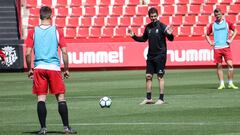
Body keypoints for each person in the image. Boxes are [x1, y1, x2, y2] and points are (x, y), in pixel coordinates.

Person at [25, 6, 77, 135]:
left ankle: (43, 129)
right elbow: (64, 52)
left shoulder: (33, 32)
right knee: (60, 98)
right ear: (51, 16)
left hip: (39, 68)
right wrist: (66, 69)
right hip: (54, 68)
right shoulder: (57, 31)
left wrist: (29, 69)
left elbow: (27, 53)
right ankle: (66, 128)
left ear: (40, 16)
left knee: (41, 99)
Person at [128, 7, 174, 105]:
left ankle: (161, 99)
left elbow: (171, 38)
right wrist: (134, 36)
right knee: (148, 76)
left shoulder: (162, 26)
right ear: (149, 17)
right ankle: (148, 98)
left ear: (157, 15)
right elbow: (143, 39)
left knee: (160, 76)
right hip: (150, 56)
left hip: (160, 55)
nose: (153, 18)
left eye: (155, 16)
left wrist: (170, 34)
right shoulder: (148, 27)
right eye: (151, 16)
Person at [205, 8, 238, 90]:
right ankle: (222, 84)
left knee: (230, 65)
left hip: (226, 47)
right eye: (216, 15)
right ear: (214, 16)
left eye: (219, 14)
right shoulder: (212, 25)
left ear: (222, 14)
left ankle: (230, 83)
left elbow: (235, 31)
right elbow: (206, 34)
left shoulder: (227, 23)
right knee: (219, 66)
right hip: (217, 48)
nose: (218, 16)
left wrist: (230, 40)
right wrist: (210, 43)